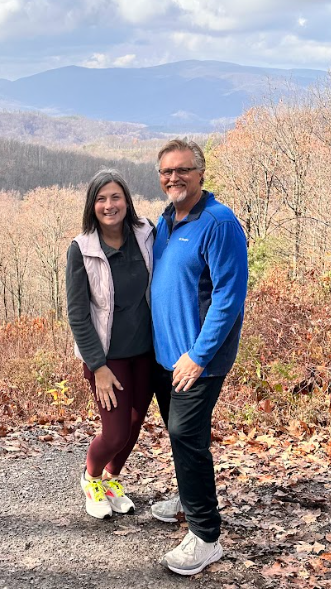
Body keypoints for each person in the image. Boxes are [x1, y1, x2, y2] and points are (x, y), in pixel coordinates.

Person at [150, 139, 248, 576]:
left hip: (197, 359)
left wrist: (199, 355)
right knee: (181, 436)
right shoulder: (166, 220)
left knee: (186, 434)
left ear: (201, 173)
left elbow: (229, 297)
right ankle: (188, 499)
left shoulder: (219, 222)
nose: (174, 178)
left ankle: (206, 536)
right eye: (167, 171)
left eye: (183, 170)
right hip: (167, 355)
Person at [66, 169, 156, 519]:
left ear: (127, 201)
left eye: (116, 197)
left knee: (134, 424)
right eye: (101, 199)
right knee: (116, 431)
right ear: (92, 205)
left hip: (146, 352)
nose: (109, 205)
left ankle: (112, 479)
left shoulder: (146, 234)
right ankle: (91, 478)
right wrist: (98, 366)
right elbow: (78, 315)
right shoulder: (82, 249)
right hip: (107, 358)